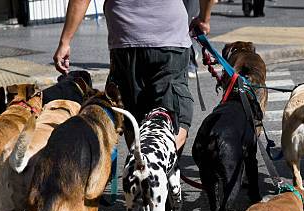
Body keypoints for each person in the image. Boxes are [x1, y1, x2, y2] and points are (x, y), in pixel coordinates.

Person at [53, 0, 215, 152]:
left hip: (125, 39)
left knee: (133, 113)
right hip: (169, 38)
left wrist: (65, 42)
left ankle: (142, 167)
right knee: (175, 115)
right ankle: (159, 166)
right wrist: (204, 18)